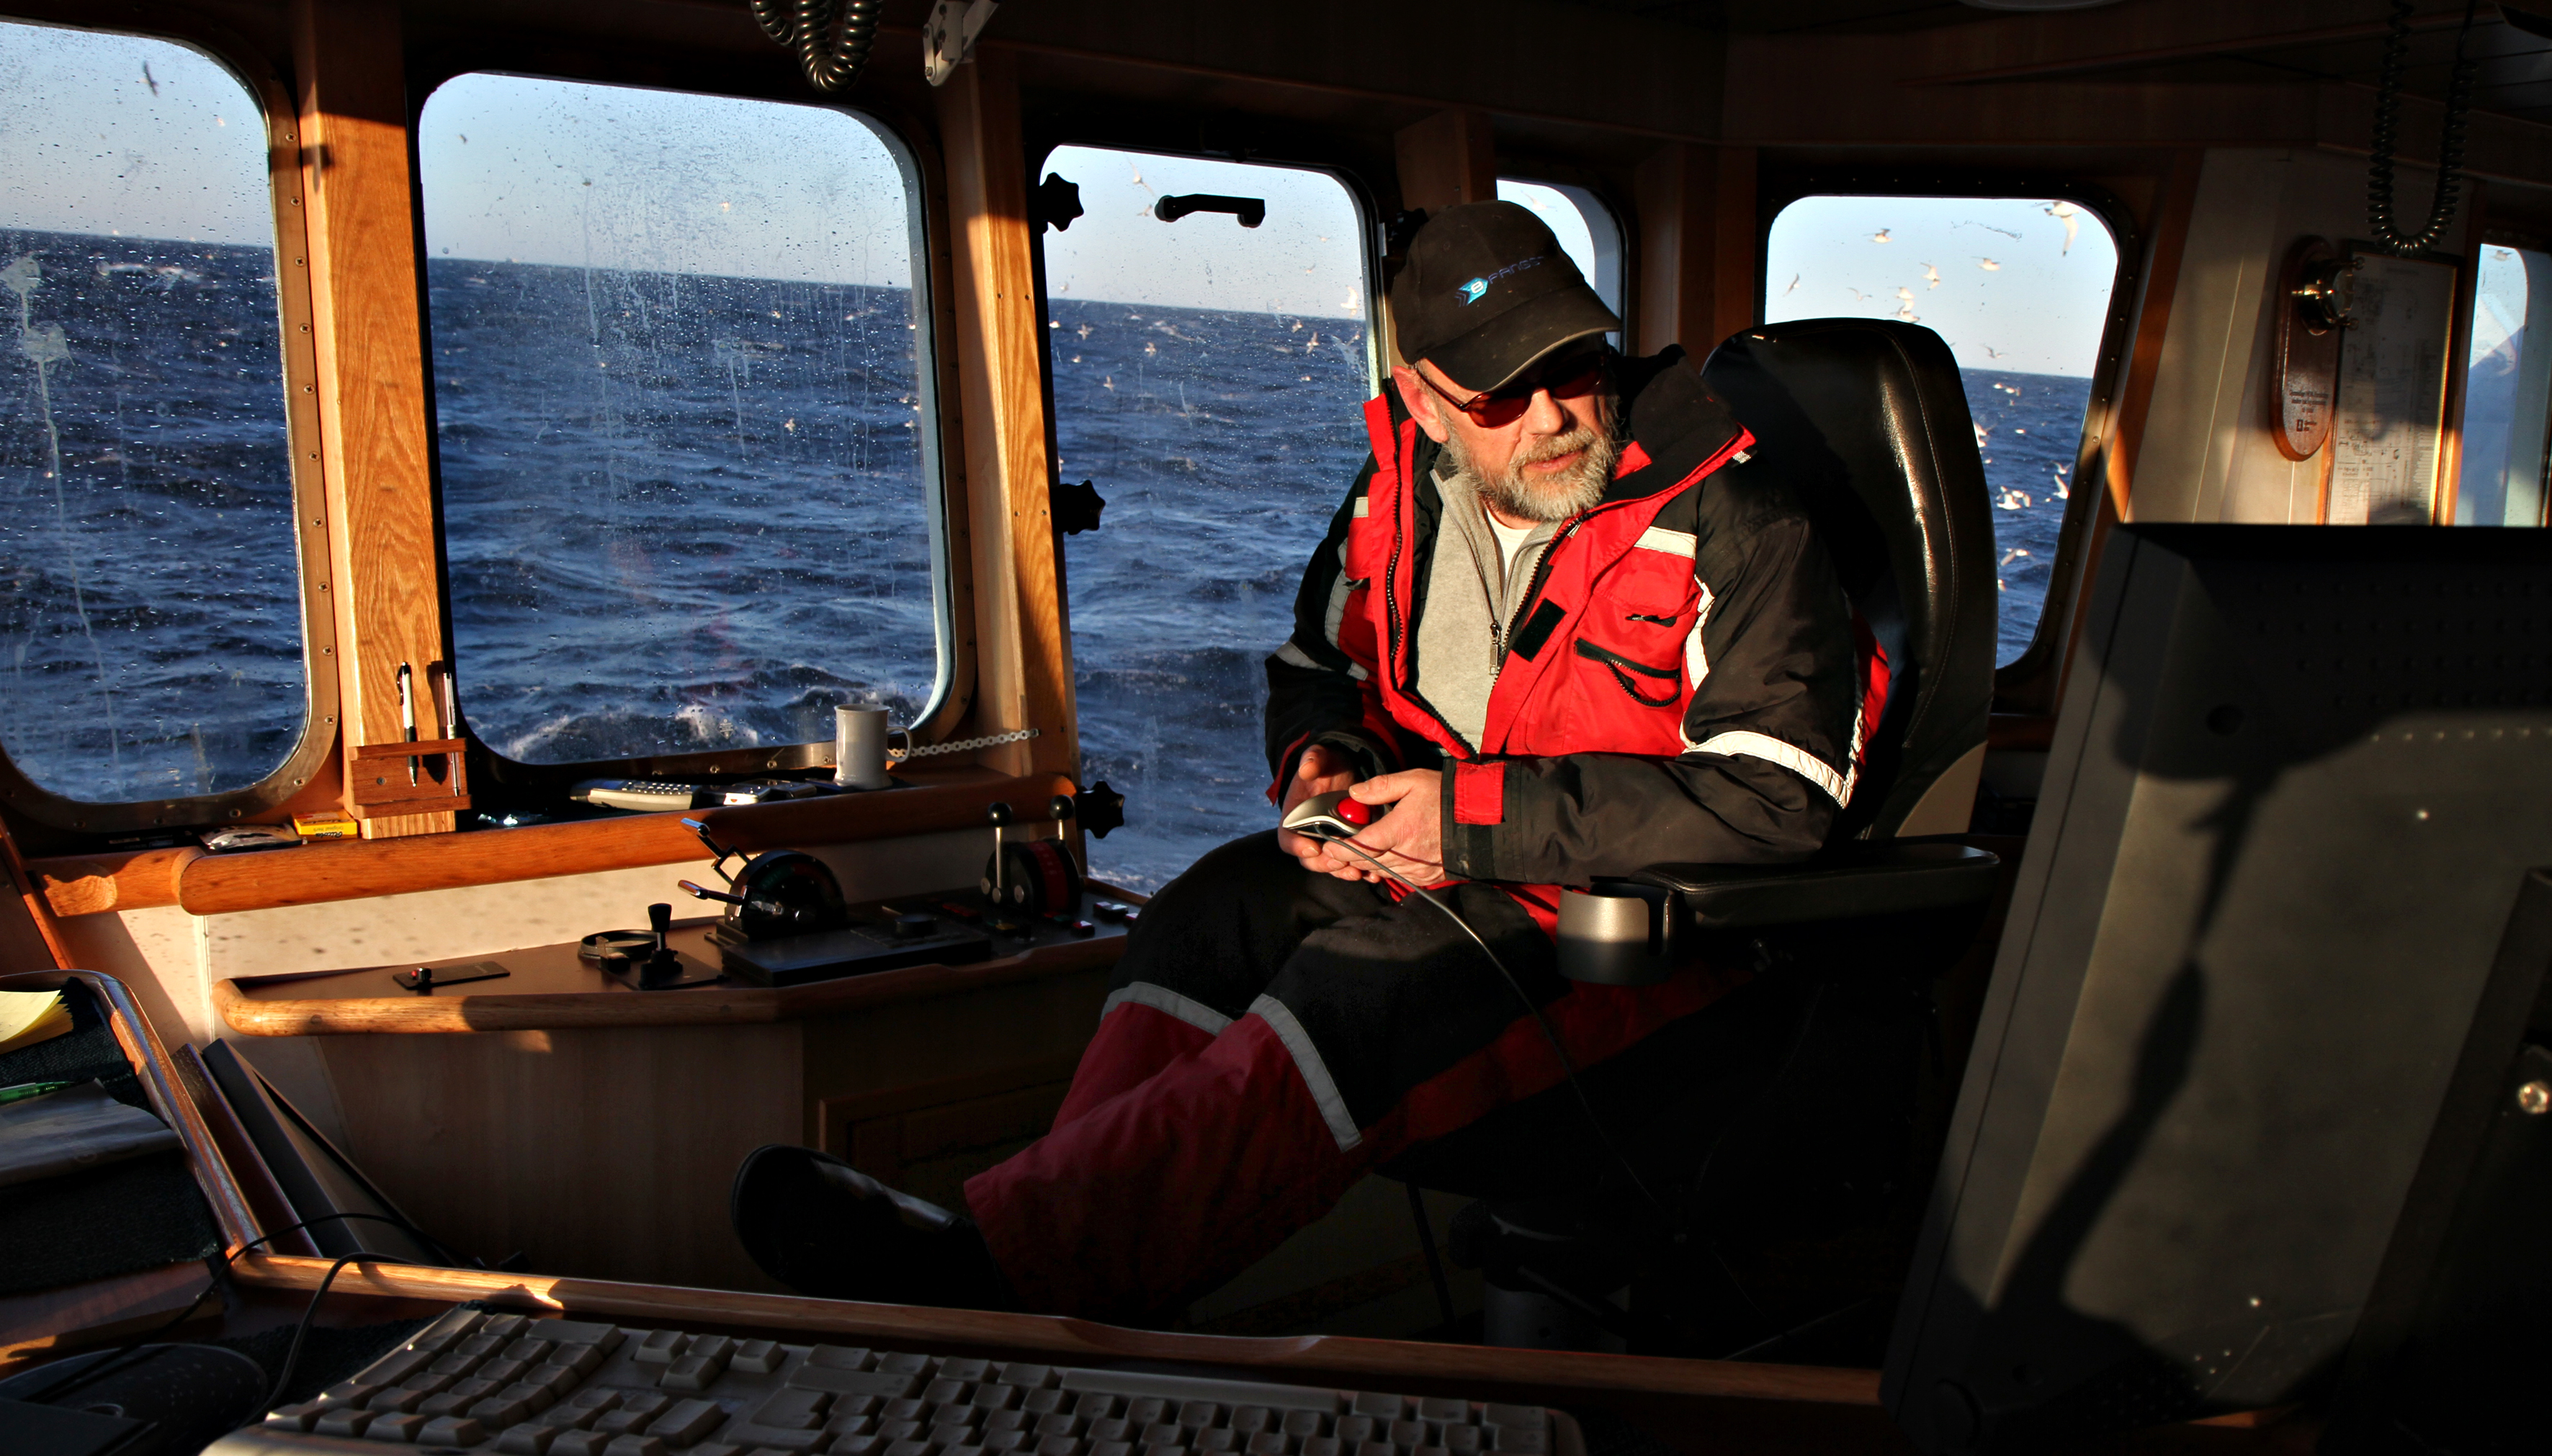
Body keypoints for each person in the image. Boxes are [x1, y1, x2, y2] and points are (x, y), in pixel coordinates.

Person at [730, 202, 1867, 1322]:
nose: (1557, 412)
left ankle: (1007, 1278)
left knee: (1357, 995)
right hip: (1453, 871)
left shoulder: (1737, 513)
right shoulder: (1395, 496)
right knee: (1202, 917)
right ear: (1423, 400)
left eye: (1575, 363)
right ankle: (1046, 1261)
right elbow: (1317, 662)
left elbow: (1781, 799)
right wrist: (1325, 758)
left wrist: (1467, 820)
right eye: (1503, 391)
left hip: (1653, 952)